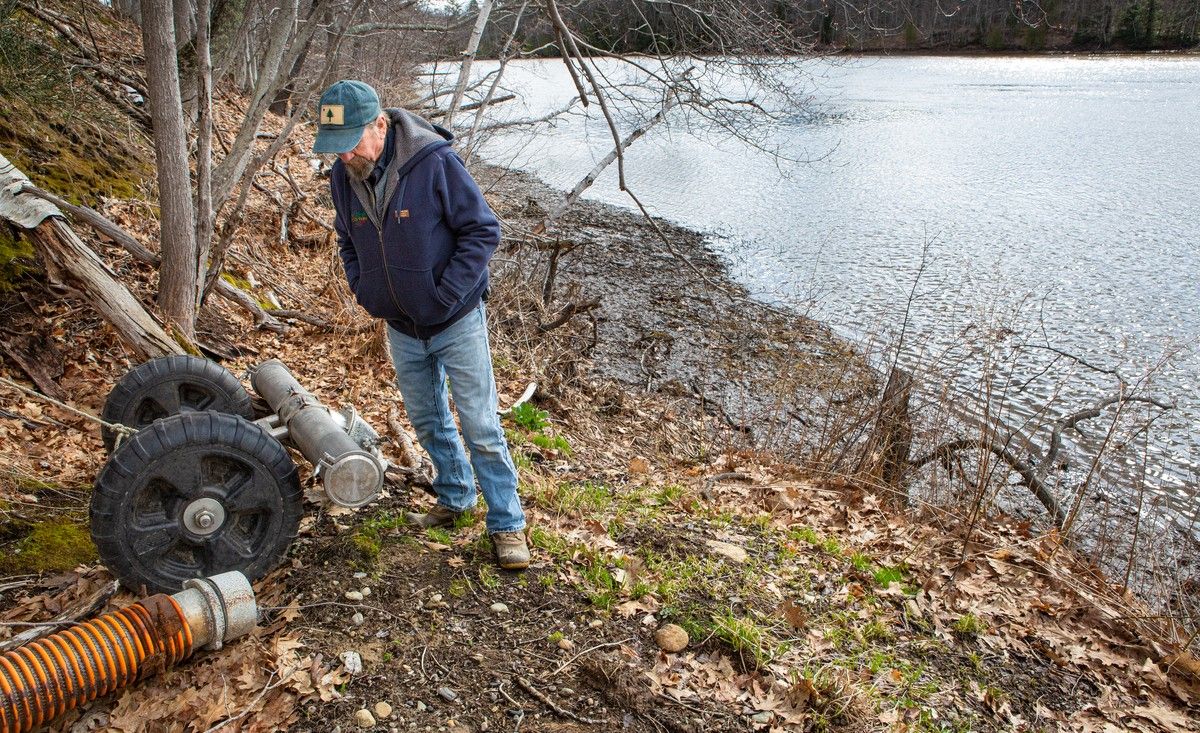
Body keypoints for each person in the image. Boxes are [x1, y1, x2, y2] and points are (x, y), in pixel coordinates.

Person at [312, 79, 529, 570]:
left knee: (480, 425)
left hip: (456, 320)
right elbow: (348, 240)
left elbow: (483, 230)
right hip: (400, 326)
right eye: (335, 146)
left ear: (380, 125)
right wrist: (365, 290)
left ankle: (507, 524)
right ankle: (454, 498)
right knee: (429, 420)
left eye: (349, 141)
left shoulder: (434, 162)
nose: (343, 155)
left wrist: (446, 295)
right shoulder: (342, 177)